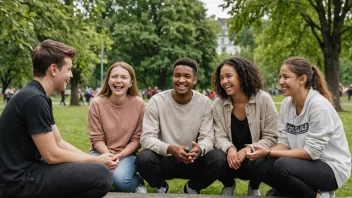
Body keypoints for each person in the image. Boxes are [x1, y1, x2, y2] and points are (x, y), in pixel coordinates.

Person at [0, 39, 118, 198]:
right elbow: (52, 155)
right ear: (53, 69)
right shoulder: (34, 99)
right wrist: (96, 161)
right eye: (69, 69)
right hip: (18, 182)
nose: (71, 75)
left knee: (99, 172)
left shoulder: (39, 96)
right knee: (101, 176)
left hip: (27, 172)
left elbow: (59, 142)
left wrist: (93, 158)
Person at [247, 57, 351, 198]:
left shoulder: (319, 106)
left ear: (302, 79)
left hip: (331, 168)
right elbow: (284, 143)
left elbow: (311, 152)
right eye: (280, 77)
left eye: (286, 77)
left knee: (282, 166)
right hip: (304, 164)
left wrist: (270, 153)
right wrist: (263, 151)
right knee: (259, 164)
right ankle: (290, 192)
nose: (281, 81)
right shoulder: (286, 105)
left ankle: (318, 195)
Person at [135, 58, 225, 194]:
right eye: (177, 75)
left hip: (193, 159)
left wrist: (200, 149)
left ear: (194, 80)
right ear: (173, 77)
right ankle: (161, 186)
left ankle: (192, 188)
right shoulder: (157, 101)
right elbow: (147, 138)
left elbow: (208, 137)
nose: (181, 80)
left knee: (219, 159)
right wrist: (170, 148)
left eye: (187, 76)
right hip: (166, 157)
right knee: (143, 158)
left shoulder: (204, 102)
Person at [212, 56, 278, 196]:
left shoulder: (264, 99)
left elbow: (272, 136)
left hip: (253, 159)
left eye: (229, 76)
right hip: (229, 159)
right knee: (215, 157)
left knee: (262, 159)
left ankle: (254, 186)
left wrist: (249, 149)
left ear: (242, 76)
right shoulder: (218, 103)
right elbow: (218, 135)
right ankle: (229, 184)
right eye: (221, 78)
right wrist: (229, 148)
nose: (224, 81)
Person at [88, 61, 147, 193]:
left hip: (126, 154)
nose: (118, 81)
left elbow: (137, 139)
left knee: (120, 180)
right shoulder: (97, 103)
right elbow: (96, 138)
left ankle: (137, 184)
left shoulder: (138, 103)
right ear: (108, 80)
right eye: (114, 76)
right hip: (100, 152)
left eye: (123, 77)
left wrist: (119, 156)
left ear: (131, 82)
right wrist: (108, 156)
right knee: (98, 180)